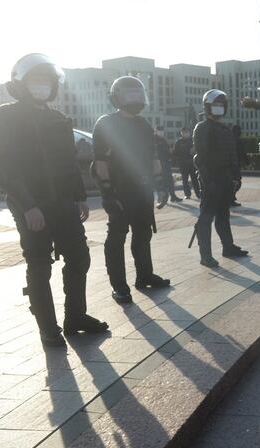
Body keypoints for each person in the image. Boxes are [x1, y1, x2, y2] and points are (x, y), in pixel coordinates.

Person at [0, 53, 108, 346]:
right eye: (36, 80)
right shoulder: (5, 116)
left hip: (63, 201)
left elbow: (68, 162)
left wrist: (80, 197)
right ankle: (48, 327)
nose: (41, 86)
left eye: (46, 81)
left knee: (79, 256)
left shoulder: (58, 118)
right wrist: (28, 205)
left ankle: (75, 317)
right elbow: (5, 166)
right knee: (40, 263)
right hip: (30, 203)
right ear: (21, 83)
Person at [92, 76, 171, 304]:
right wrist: (107, 192)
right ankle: (119, 287)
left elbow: (153, 156)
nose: (135, 98)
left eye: (138, 94)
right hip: (118, 190)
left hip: (142, 189)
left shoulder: (143, 125)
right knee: (117, 237)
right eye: (130, 94)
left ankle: (145, 276)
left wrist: (161, 185)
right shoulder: (106, 123)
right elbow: (100, 162)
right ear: (117, 97)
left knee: (143, 233)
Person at [192, 89, 248, 267]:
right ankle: (205, 255)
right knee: (206, 217)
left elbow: (232, 156)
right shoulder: (202, 128)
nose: (218, 108)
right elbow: (199, 158)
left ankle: (228, 247)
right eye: (215, 105)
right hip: (211, 179)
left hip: (225, 179)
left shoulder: (225, 129)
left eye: (221, 105)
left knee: (223, 215)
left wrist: (236, 177)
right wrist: (207, 181)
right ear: (207, 107)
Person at [154, 126, 181, 203]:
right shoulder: (153, 139)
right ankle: (163, 198)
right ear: (156, 131)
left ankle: (173, 196)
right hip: (158, 163)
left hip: (166, 162)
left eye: (162, 130)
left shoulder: (163, 139)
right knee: (162, 181)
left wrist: (170, 154)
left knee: (169, 180)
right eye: (159, 130)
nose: (161, 132)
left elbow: (168, 150)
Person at [173, 127, 200, 199]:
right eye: (184, 132)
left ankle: (198, 194)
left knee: (195, 180)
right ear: (181, 133)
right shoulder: (178, 142)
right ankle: (187, 194)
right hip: (183, 164)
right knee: (185, 180)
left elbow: (198, 150)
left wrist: (194, 151)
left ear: (189, 132)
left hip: (192, 164)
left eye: (187, 132)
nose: (186, 134)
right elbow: (175, 153)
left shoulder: (193, 141)